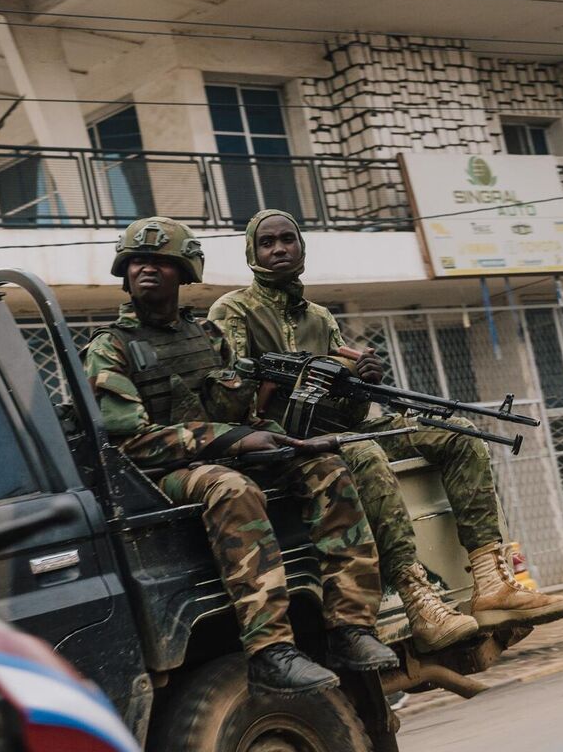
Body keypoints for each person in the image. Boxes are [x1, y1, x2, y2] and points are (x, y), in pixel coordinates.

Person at [208, 210, 563, 639]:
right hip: (282, 445)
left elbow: (351, 417)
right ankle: (418, 599)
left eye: (288, 239)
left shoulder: (320, 319)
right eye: (267, 242)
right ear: (252, 252)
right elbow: (225, 397)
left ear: (301, 247)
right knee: (364, 452)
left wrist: (358, 384)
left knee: (457, 433)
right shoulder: (233, 310)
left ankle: (491, 584)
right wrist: (279, 383)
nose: (279, 249)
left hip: (336, 431)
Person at [81, 217, 397, 696]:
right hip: (159, 477)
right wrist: (233, 441)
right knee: (232, 488)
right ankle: (270, 649)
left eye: (161, 262)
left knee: (325, 467)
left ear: (183, 273)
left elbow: (245, 415)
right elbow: (131, 443)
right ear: (124, 273)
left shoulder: (208, 338)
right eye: (137, 262)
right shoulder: (111, 348)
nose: (147, 270)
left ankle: (350, 628)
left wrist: (283, 440)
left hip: (225, 454)